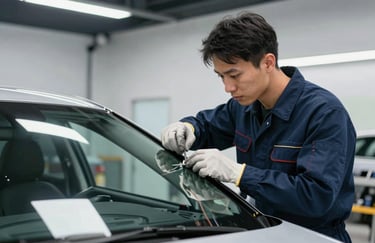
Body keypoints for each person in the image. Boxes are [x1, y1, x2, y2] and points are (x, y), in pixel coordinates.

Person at [161, 11, 356, 243]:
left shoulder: (323, 113)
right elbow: (207, 126)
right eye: (221, 76)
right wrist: (187, 128)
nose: (228, 87)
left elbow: (315, 196)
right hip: (265, 231)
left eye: (234, 75)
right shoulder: (244, 107)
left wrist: (239, 174)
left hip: (314, 237)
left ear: (268, 62)